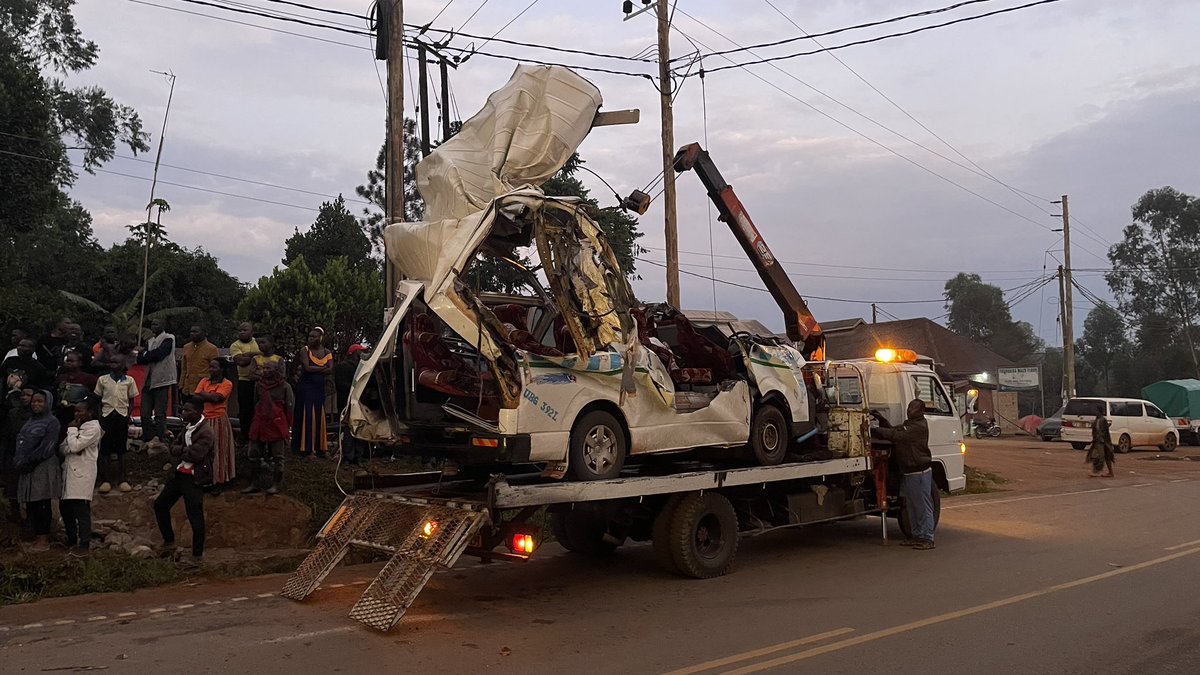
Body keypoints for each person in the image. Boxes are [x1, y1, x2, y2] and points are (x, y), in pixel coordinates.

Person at [871, 399, 937, 550]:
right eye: (909, 407)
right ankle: (916, 536)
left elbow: (895, 435)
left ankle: (928, 538)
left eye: (913, 408)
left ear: (921, 411)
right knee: (912, 507)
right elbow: (895, 431)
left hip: (919, 472)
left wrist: (875, 429)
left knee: (922, 506)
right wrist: (882, 420)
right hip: (908, 471)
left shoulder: (919, 426)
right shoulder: (909, 425)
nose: (909, 410)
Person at [154, 398, 212, 565]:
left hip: (194, 477)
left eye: (188, 411)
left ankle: (197, 555)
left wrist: (180, 450)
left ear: (199, 411)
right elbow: (175, 449)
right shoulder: (187, 427)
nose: (184, 414)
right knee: (160, 505)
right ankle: (169, 541)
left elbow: (195, 455)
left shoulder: (206, 432)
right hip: (180, 474)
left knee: (195, 516)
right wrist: (182, 450)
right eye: (183, 410)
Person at [13, 390, 61, 551]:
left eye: (40, 401)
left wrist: (29, 460)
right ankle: (35, 536)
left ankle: (43, 540)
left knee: (42, 503)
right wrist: (19, 461)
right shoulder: (30, 420)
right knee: (32, 503)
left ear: (47, 402)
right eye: (34, 401)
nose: (36, 404)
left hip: (43, 466)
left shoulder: (52, 421)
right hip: (28, 467)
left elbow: (47, 447)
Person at [243, 361, 293, 495]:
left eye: (268, 368)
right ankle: (254, 483)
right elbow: (255, 402)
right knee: (253, 453)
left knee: (278, 456)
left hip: (276, 424)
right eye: (263, 368)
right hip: (259, 422)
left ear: (276, 370)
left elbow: (289, 408)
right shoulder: (259, 385)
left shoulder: (284, 387)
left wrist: (286, 427)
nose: (265, 371)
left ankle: (276, 484)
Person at [61, 402, 101, 555]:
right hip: (70, 473)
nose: (77, 414)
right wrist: (72, 445)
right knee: (65, 507)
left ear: (89, 412)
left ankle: (84, 543)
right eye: (75, 411)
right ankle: (71, 539)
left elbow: (75, 446)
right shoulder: (79, 429)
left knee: (81, 508)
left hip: (82, 473)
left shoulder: (93, 428)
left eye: (80, 411)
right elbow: (63, 447)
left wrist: (72, 432)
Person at [93, 357, 138, 494]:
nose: (113, 364)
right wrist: (100, 415)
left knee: (121, 450)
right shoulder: (103, 380)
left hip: (121, 416)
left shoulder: (129, 381)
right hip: (107, 416)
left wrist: (127, 415)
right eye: (111, 362)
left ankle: (122, 479)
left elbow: (131, 400)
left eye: (116, 362)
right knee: (105, 449)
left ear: (123, 364)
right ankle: (106, 480)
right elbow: (98, 399)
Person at [193, 358, 235, 491]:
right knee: (205, 451)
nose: (211, 369)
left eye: (214, 367)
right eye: (210, 367)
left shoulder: (227, 383)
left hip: (219, 420)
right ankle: (207, 479)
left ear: (222, 369)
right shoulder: (204, 381)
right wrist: (210, 396)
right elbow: (196, 397)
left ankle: (220, 480)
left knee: (219, 451)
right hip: (204, 420)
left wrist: (204, 394)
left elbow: (217, 399)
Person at [292, 328, 333, 459]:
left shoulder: (327, 352)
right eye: (310, 336)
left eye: (314, 336)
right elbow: (307, 368)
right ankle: (306, 448)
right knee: (307, 415)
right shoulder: (305, 350)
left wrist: (317, 369)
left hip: (319, 388)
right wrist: (323, 369)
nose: (311, 338)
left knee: (319, 416)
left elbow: (331, 369)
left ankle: (320, 448)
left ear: (321, 338)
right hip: (306, 387)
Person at [136, 318, 177, 449]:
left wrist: (145, 353)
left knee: (160, 413)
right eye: (152, 324)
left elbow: (159, 354)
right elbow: (141, 359)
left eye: (157, 324)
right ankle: (148, 437)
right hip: (149, 379)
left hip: (162, 379)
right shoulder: (150, 341)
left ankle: (161, 437)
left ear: (163, 325)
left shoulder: (169, 338)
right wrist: (145, 354)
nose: (153, 326)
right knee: (145, 413)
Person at [334, 344, 370, 465]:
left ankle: (358, 457)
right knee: (350, 429)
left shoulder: (361, 367)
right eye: (361, 352)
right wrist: (357, 389)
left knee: (361, 428)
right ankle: (348, 457)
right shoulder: (343, 367)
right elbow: (341, 385)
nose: (363, 354)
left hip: (360, 402)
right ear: (355, 353)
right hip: (348, 403)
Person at [1, 387, 33, 521]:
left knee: (30, 492)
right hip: (13, 455)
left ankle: (31, 521)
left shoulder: (38, 416)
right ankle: (15, 517)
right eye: (22, 395)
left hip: (31, 458)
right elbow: (6, 436)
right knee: (12, 489)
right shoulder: (13, 413)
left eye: (28, 395)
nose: (24, 397)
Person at [54, 351, 97, 442]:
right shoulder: (61, 378)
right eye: (67, 361)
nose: (68, 363)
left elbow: (95, 396)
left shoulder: (89, 378)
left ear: (80, 363)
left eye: (71, 361)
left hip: (80, 415)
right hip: (62, 413)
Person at [229, 322, 260, 448]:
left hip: (259, 381)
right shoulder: (235, 345)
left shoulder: (258, 342)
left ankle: (257, 436)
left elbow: (263, 356)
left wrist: (248, 355)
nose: (242, 332)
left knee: (257, 410)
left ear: (252, 331)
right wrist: (255, 355)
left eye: (245, 330)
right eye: (240, 330)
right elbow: (240, 362)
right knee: (245, 411)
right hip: (244, 381)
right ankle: (244, 437)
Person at [179, 325, 219, 399]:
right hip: (187, 388)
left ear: (204, 333)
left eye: (195, 332)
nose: (192, 334)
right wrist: (181, 385)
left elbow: (216, 369)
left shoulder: (212, 348)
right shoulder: (186, 347)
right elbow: (184, 368)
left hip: (203, 389)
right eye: (191, 332)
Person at [1087, 413, 1115, 478]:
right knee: (1104, 456)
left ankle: (1096, 471)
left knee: (1100, 456)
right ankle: (1109, 472)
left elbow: (1103, 431)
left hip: (1102, 441)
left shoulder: (1101, 420)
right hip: (1100, 441)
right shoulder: (1097, 421)